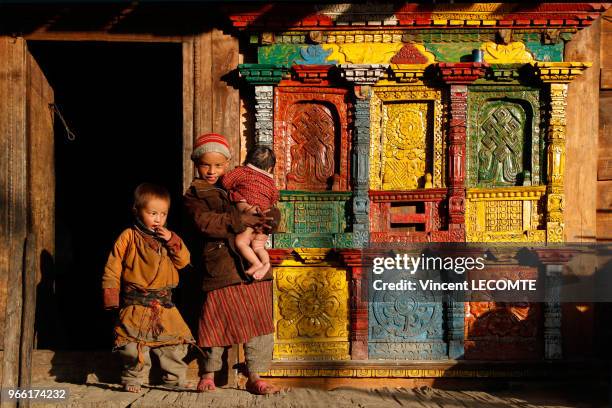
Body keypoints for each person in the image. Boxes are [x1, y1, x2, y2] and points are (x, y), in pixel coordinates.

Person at [184, 133, 281, 395]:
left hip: (252, 270)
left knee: (258, 320)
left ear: (227, 164)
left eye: (217, 165)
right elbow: (205, 223)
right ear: (196, 164)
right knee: (213, 321)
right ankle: (208, 374)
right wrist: (241, 220)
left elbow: (272, 207)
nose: (211, 171)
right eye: (205, 165)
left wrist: (268, 216)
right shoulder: (195, 194)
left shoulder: (242, 184)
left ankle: (255, 375)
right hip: (221, 266)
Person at [102, 183, 194, 393]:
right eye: (152, 213)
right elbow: (113, 267)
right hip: (136, 303)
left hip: (164, 304)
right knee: (133, 346)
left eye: (163, 214)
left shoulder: (168, 238)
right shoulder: (129, 236)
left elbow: (184, 261)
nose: (158, 219)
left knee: (172, 344)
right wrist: (111, 297)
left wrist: (172, 240)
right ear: (137, 211)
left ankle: (174, 379)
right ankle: (133, 379)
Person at [222, 147, 280, 280]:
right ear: (270, 168)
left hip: (252, 216)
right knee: (259, 246)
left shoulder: (243, 172)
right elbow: (274, 197)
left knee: (241, 241)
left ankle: (256, 263)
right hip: (265, 219)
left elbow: (225, 182)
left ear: (247, 160)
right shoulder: (271, 182)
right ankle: (266, 263)